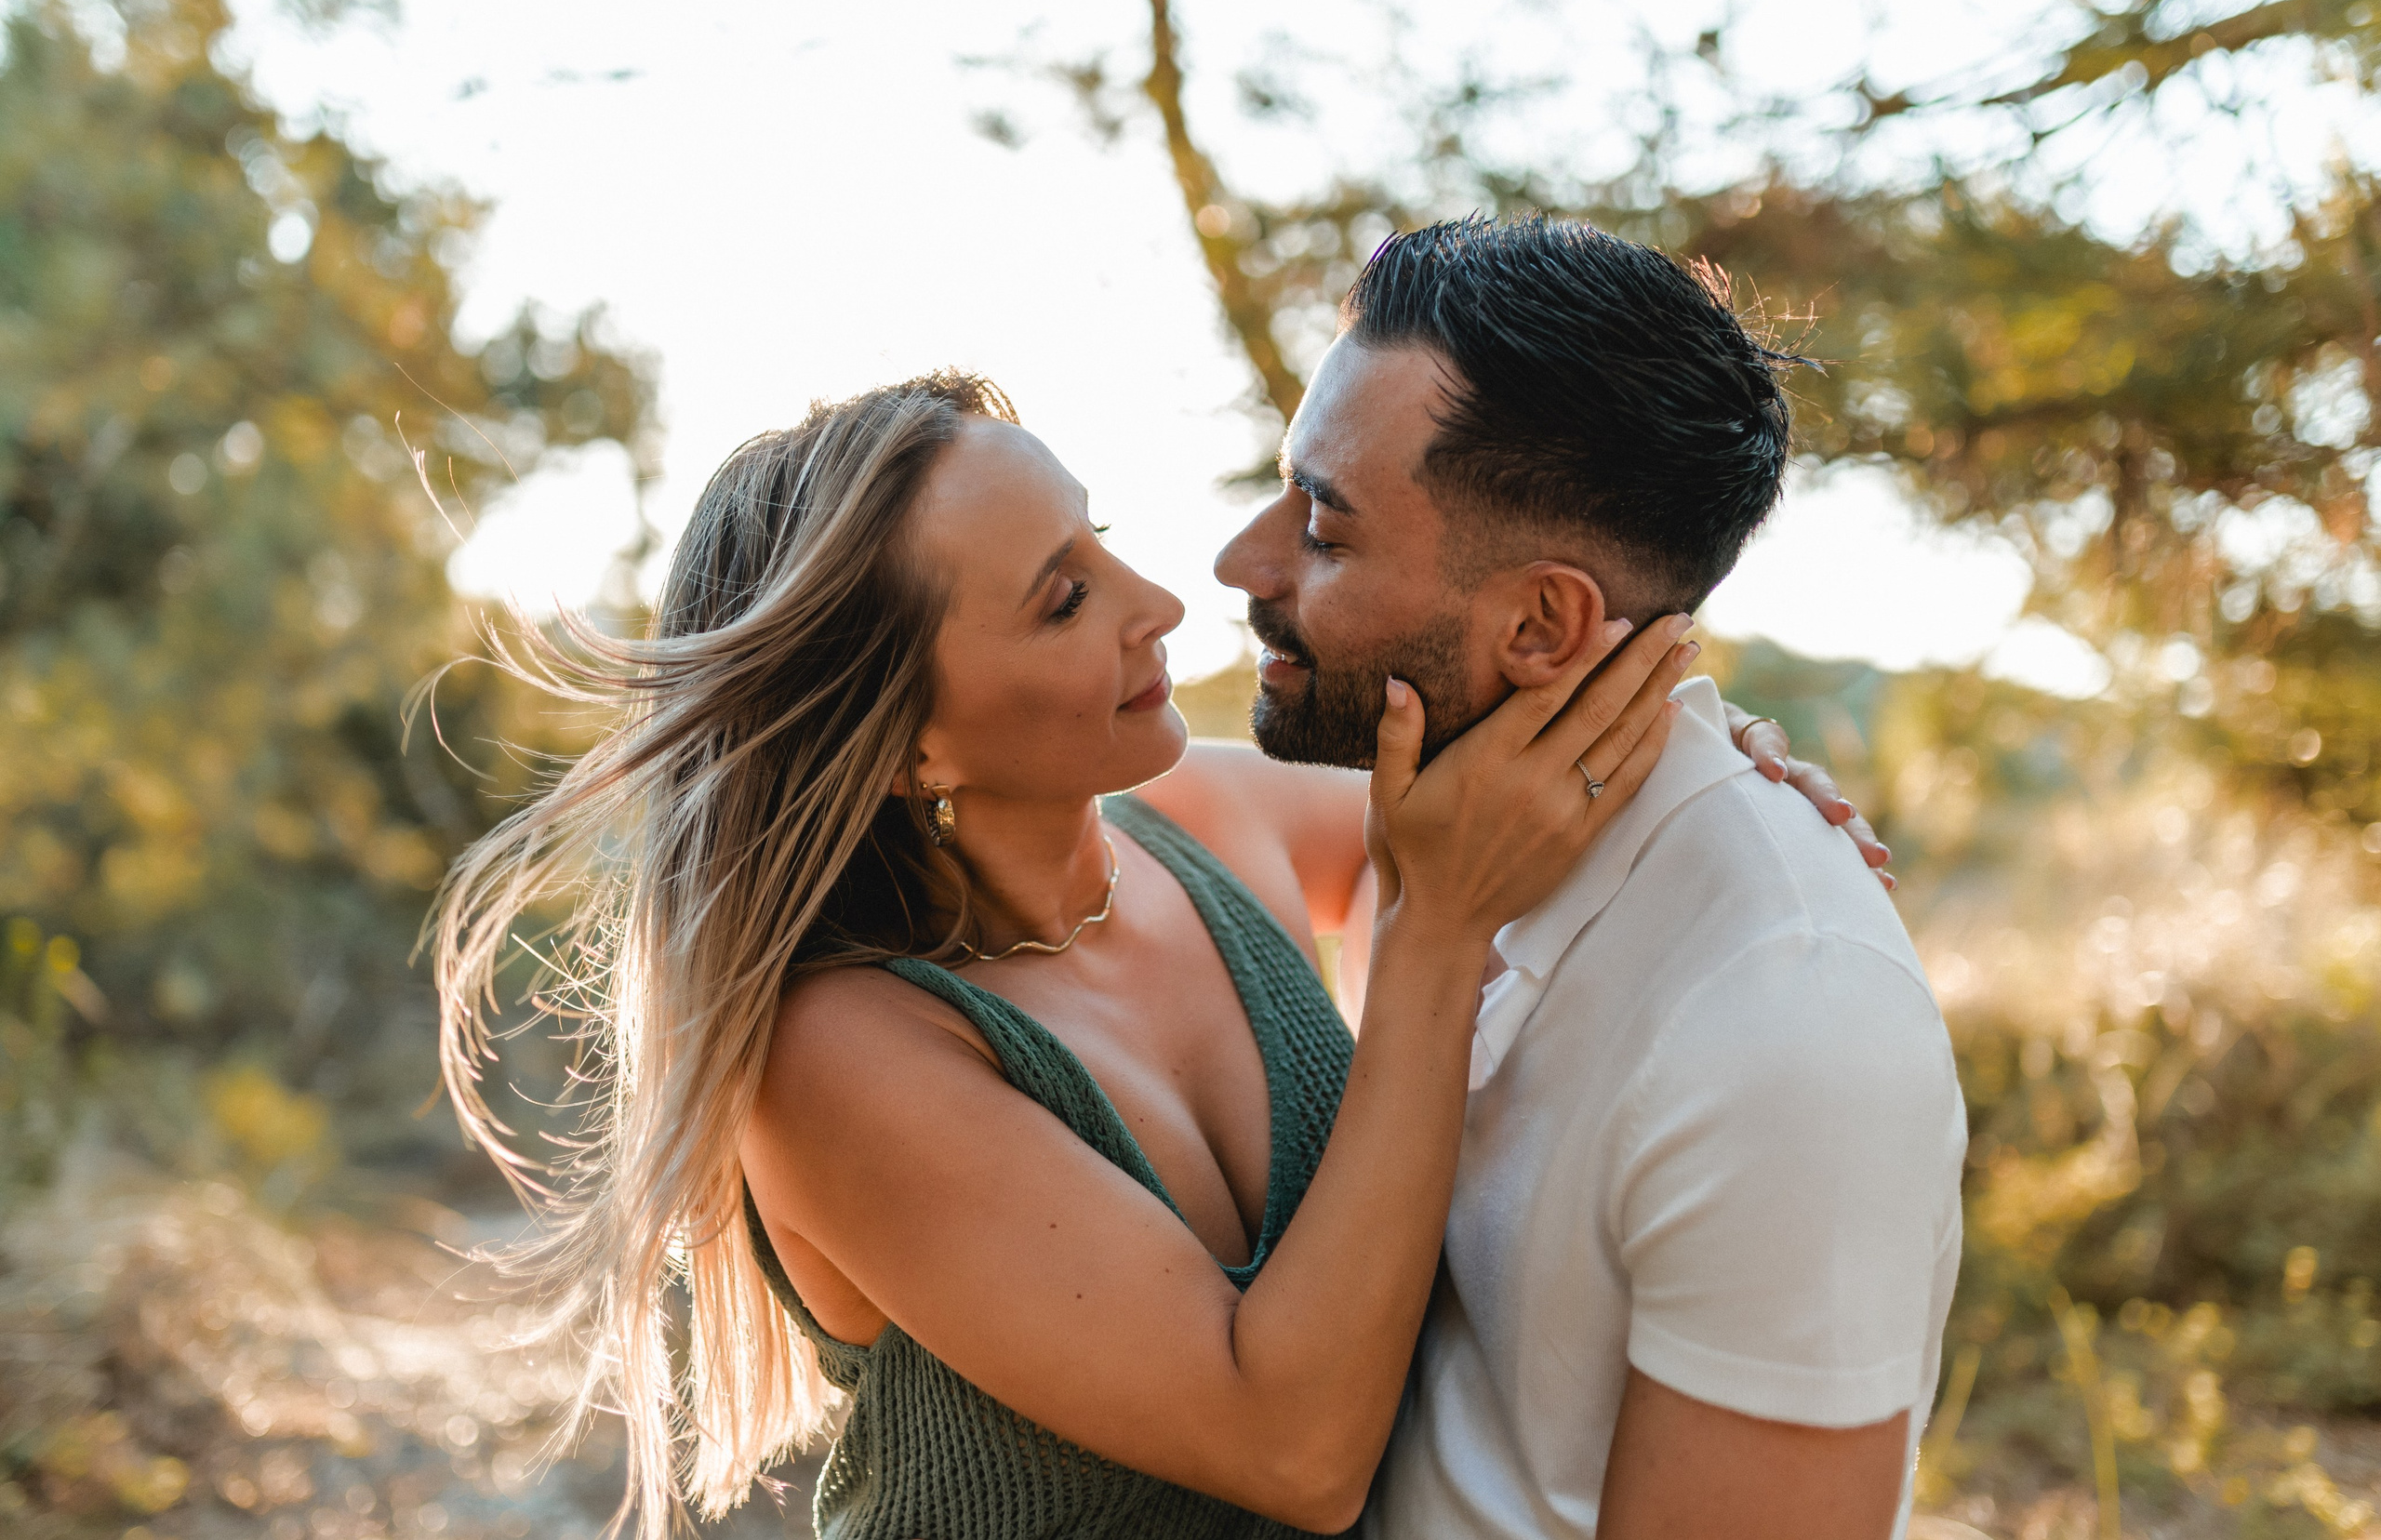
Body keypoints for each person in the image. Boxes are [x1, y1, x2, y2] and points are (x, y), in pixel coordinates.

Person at [428, 366, 1865, 1540]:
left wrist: (1701, 773)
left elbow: (1513, 797)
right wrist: (1432, 950)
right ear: (906, 743)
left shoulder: (1197, 815)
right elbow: (1294, 1449)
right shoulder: (841, 1061)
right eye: (1062, 596)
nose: (1159, 604)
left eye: (1098, 535)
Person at [1213, 215, 1967, 1540]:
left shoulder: (1791, 1024)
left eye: (1324, 530)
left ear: (1542, 627)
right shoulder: (1439, 825)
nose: (1243, 565)